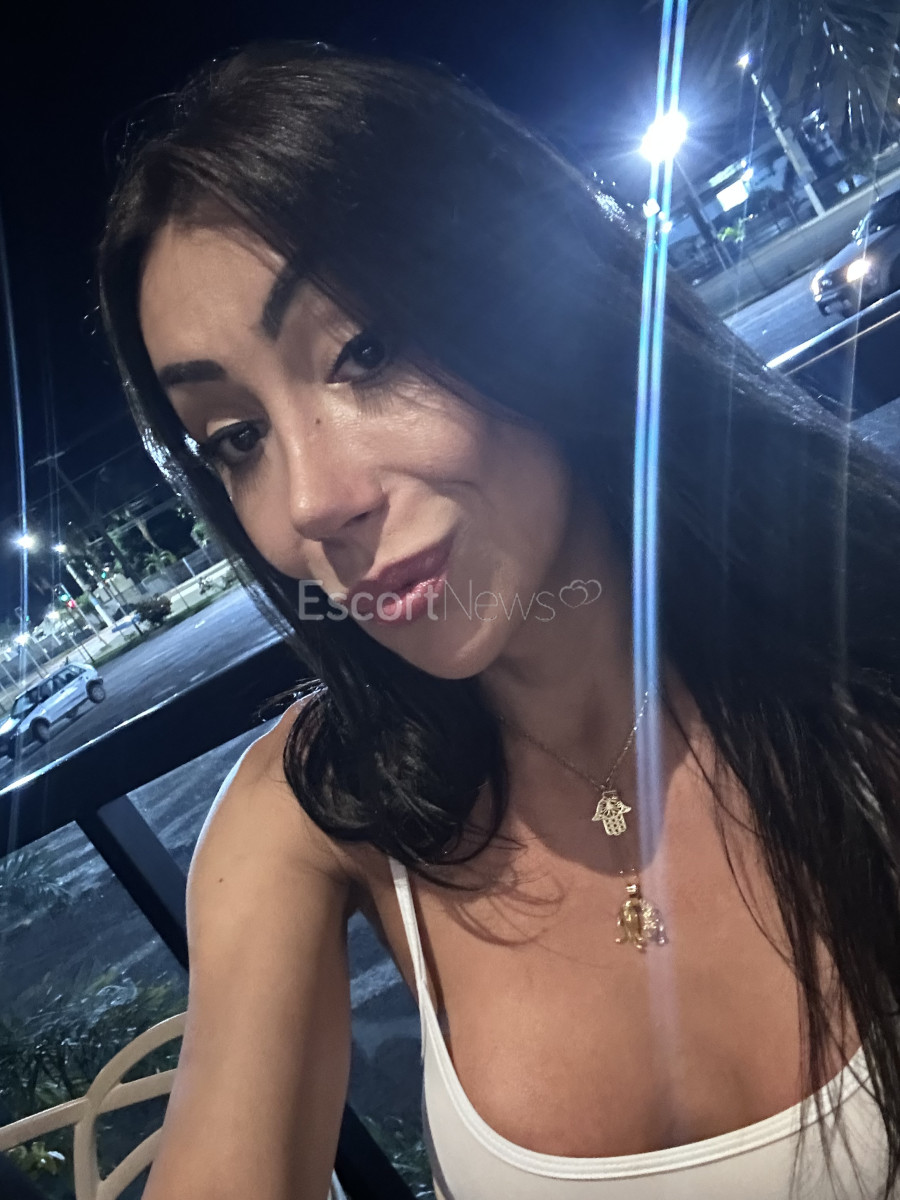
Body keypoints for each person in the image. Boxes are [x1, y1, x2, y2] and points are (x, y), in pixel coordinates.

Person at [97, 43, 900, 1200]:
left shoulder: (859, 643)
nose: (312, 502)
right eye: (238, 438)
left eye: (366, 350)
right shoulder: (317, 811)